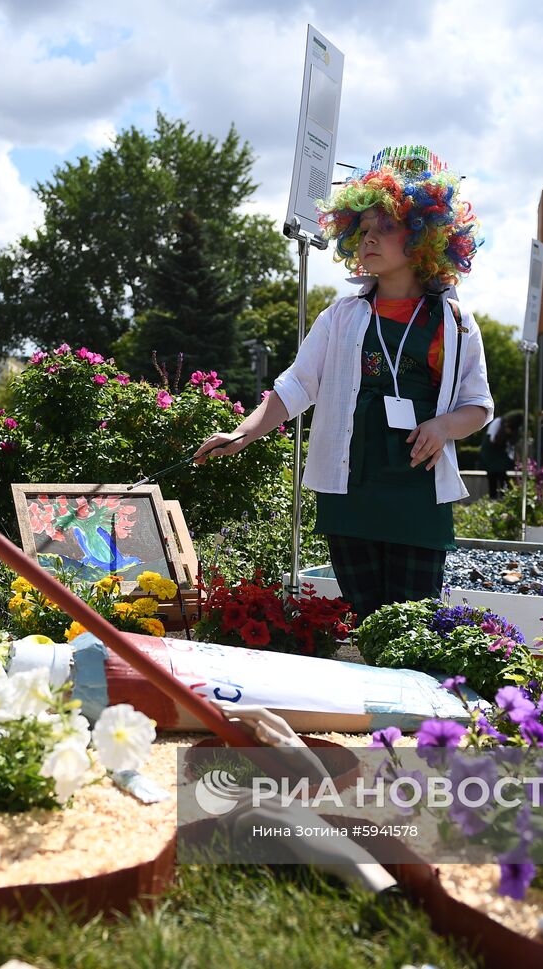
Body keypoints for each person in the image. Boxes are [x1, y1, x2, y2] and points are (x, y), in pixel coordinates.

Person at [193, 146, 493, 623]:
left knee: (413, 630)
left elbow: (478, 406)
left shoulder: (455, 322)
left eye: (385, 228)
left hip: (417, 495)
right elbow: (295, 386)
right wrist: (242, 433)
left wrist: (443, 427)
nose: (368, 240)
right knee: (365, 625)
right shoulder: (340, 316)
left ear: (423, 237)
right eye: (363, 230)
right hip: (349, 493)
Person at [479, 411, 521, 498]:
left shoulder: (512, 432)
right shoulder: (498, 422)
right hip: (491, 454)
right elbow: (492, 439)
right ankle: (493, 499)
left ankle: (503, 498)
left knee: (503, 478)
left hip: (500, 457)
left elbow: (510, 449)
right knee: (493, 478)